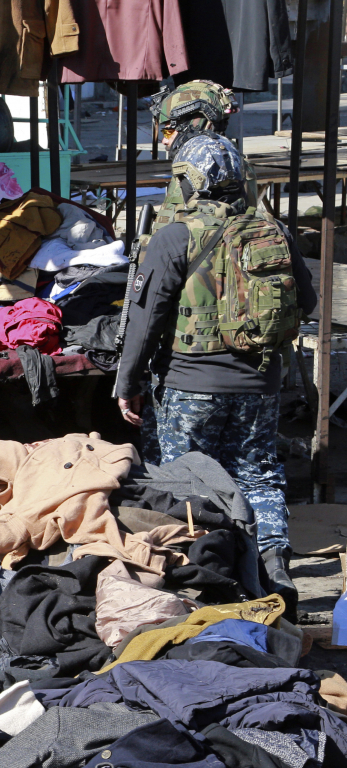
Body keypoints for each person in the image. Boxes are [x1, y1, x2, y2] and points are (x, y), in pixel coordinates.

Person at [114, 134, 316, 620]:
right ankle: (272, 568)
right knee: (259, 474)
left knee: (185, 483)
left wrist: (128, 382)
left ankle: (208, 578)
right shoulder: (274, 233)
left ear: (188, 181)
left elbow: (146, 321)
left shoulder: (174, 237)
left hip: (189, 385)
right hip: (260, 384)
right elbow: (305, 304)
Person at [138, 79, 255, 463]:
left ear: (199, 121)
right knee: (251, 469)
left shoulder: (206, 169)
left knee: (185, 473)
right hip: (241, 358)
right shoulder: (231, 162)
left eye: (171, 129)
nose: (167, 139)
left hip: (196, 348)